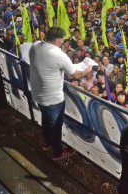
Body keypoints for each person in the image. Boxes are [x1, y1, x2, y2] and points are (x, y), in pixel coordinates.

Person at [29, 27, 92, 161]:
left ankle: (47, 143)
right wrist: (88, 70)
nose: (63, 43)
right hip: (53, 97)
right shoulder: (58, 55)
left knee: (45, 119)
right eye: (62, 40)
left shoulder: (35, 46)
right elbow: (76, 75)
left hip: (37, 93)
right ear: (57, 40)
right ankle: (57, 152)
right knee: (56, 125)